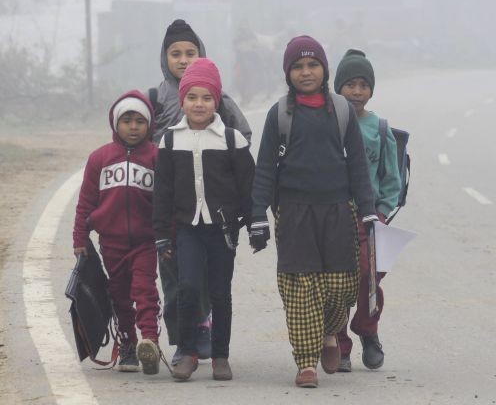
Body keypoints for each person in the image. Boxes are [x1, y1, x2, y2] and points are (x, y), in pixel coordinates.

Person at [249, 35, 377, 388]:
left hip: (338, 211)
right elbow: (265, 169)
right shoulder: (279, 114)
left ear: (324, 69)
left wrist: (367, 210)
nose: (306, 72)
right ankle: (306, 362)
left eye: (313, 65)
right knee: (300, 288)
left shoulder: (342, 111)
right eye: (298, 67)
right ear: (287, 73)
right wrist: (258, 215)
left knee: (341, 286)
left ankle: (330, 332)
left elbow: (358, 167)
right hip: (294, 214)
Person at [148, 19, 252, 365]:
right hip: (170, 200)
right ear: (164, 58)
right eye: (175, 53)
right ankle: (183, 340)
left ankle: (204, 329)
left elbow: (242, 139)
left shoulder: (219, 99)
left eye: (190, 53)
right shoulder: (155, 99)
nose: (183, 59)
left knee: (208, 275)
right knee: (175, 275)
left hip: (212, 205)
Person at [72, 90, 162, 375]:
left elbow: (166, 203)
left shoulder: (157, 157)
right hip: (111, 243)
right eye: (126, 121)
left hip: (146, 242)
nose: (133, 127)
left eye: (140, 121)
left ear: (149, 124)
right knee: (120, 295)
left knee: (145, 291)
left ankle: (150, 341)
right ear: (115, 123)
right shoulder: (99, 158)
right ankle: (128, 345)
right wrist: (79, 238)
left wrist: (168, 237)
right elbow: (86, 202)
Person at [333, 49, 401, 372]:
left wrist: (382, 213)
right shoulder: (329, 125)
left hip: (370, 219)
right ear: (338, 88)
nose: (357, 92)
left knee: (368, 276)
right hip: (333, 215)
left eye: (363, 85)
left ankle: (368, 330)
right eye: (350, 85)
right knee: (334, 282)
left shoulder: (380, 129)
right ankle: (339, 345)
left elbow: (391, 180)